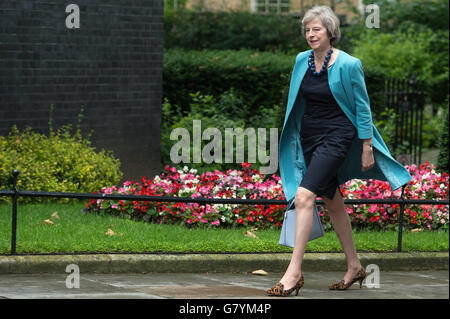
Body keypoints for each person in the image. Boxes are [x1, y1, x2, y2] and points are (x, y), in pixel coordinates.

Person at [266, 5, 412, 297]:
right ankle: (355, 266)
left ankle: (293, 273)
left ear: (330, 32)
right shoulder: (301, 61)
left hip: (337, 137)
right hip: (310, 137)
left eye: (316, 29)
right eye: (307, 30)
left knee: (305, 196)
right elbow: (297, 103)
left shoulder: (348, 64)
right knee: (332, 200)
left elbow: (362, 107)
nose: (310, 34)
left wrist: (367, 145)